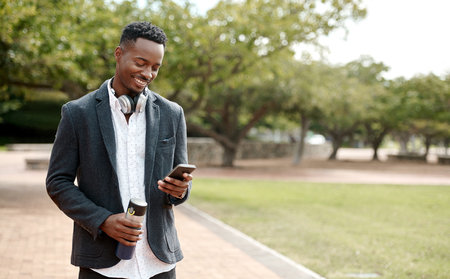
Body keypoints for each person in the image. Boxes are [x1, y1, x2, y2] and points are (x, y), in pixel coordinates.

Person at [46, 21, 193, 279]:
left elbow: (179, 189)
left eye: (155, 67)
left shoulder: (172, 114)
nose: (148, 73)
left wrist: (180, 190)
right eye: (140, 63)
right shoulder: (77, 113)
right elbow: (58, 182)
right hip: (100, 263)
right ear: (118, 54)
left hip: (159, 263)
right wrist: (102, 221)